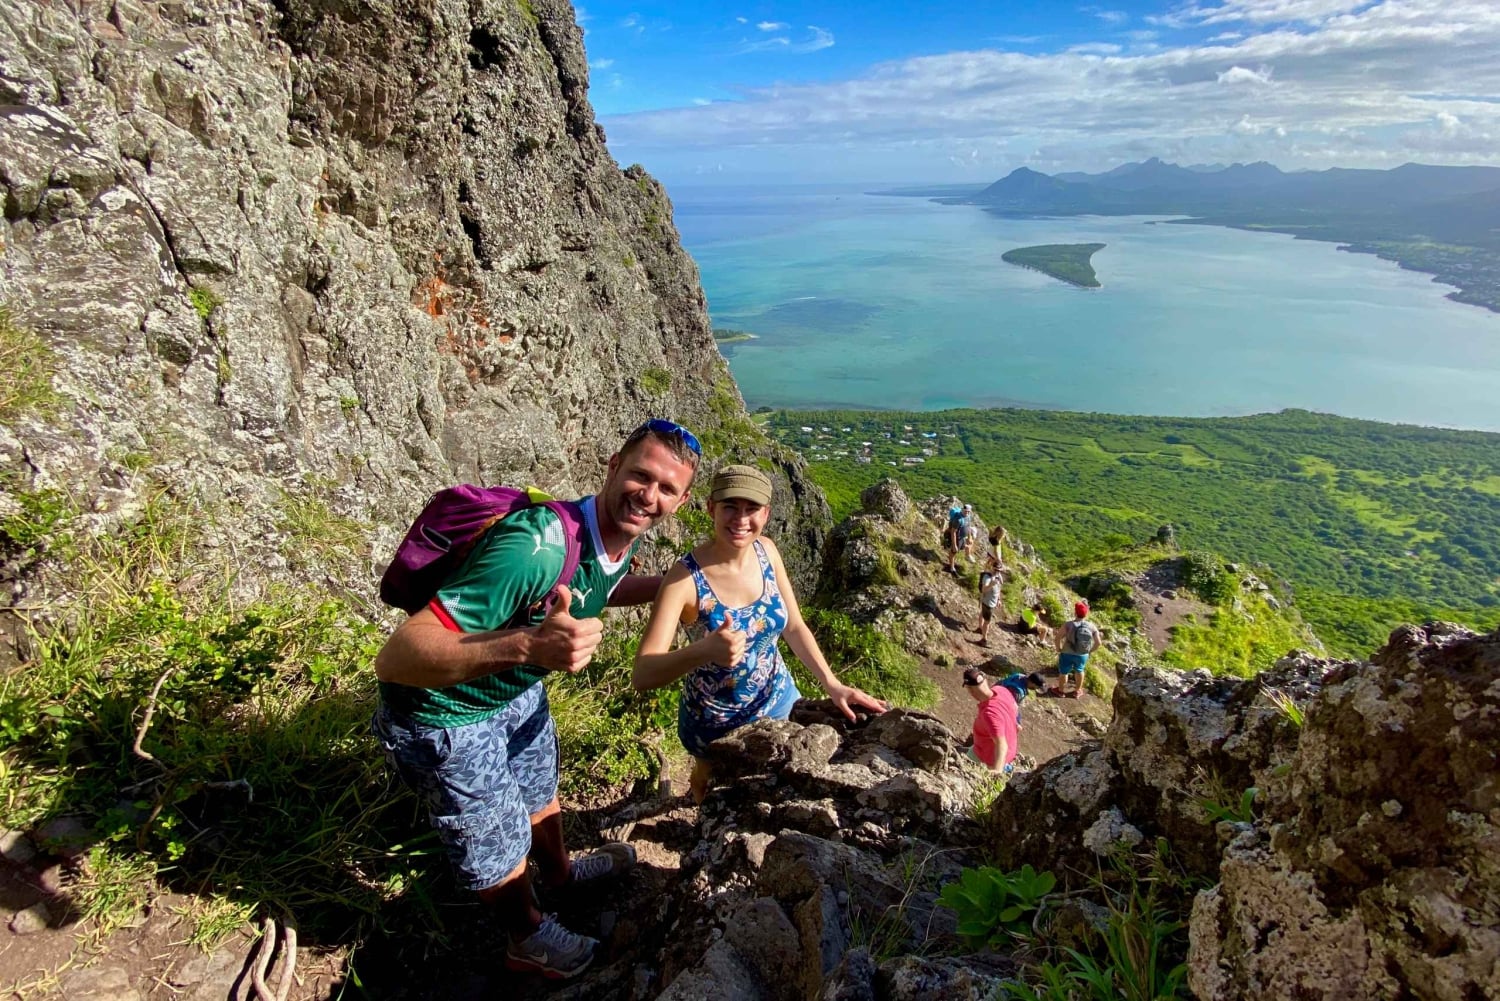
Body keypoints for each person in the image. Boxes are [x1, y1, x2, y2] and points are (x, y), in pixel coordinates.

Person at [370, 420, 701, 980]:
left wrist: (684, 587)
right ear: (613, 464)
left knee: (538, 791)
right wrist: (529, 644)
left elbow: (606, 584)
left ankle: (561, 875)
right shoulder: (536, 548)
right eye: (640, 476)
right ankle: (526, 936)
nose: (649, 496)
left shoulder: (607, 540)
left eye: (666, 489)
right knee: (491, 839)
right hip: (446, 715)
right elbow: (398, 655)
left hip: (515, 689)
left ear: (681, 500)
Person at [635, 464, 887, 803]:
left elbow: (794, 626)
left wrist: (832, 683)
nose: (741, 519)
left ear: (766, 514)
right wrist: (704, 650)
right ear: (711, 508)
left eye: (751, 509)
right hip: (715, 722)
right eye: (730, 507)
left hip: (779, 698)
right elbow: (643, 672)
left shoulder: (766, 551)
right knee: (711, 789)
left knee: (778, 786)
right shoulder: (684, 580)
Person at [963, 667, 1019, 773]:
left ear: (970, 690)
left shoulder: (989, 714)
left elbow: (1001, 745)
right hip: (1009, 751)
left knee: (962, 766)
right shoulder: (1002, 690)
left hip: (987, 759)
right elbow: (1015, 710)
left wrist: (997, 771)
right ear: (986, 681)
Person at [1054, 600, 1101, 699]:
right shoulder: (1092, 626)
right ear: (1086, 614)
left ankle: (1061, 691)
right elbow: (1098, 643)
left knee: (1064, 672)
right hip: (1082, 654)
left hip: (1066, 652)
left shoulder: (1068, 624)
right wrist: (1089, 651)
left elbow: (1058, 637)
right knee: (1079, 671)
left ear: (1075, 612)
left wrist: (1058, 648)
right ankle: (1077, 691)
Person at [974, 557, 1004, 645]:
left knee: (982, 614)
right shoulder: (987, 578)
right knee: (987, 622)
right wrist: (991, 585)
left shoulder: (998, 576)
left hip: (992, 602)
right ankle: (984, 639)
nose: (998, 571)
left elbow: (999, 588)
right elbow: (984, 590)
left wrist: (999, 599)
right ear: (992, 568)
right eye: (996, 570)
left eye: (999, 570)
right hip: (988, 603)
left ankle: (980, 629)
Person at [945, 502, 972, 573]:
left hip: (962, 538)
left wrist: (969, 537)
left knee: (965, 547)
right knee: (953, 552)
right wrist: (954, 545)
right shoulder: (958, 519)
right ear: (962, 510)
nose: (967, 513)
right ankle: (952, 567)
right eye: (966, 511)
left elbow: (969, 527)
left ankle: (967, 555)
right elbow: (953, 532)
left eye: (968, 511)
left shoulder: (968, 517)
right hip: (957, 538)